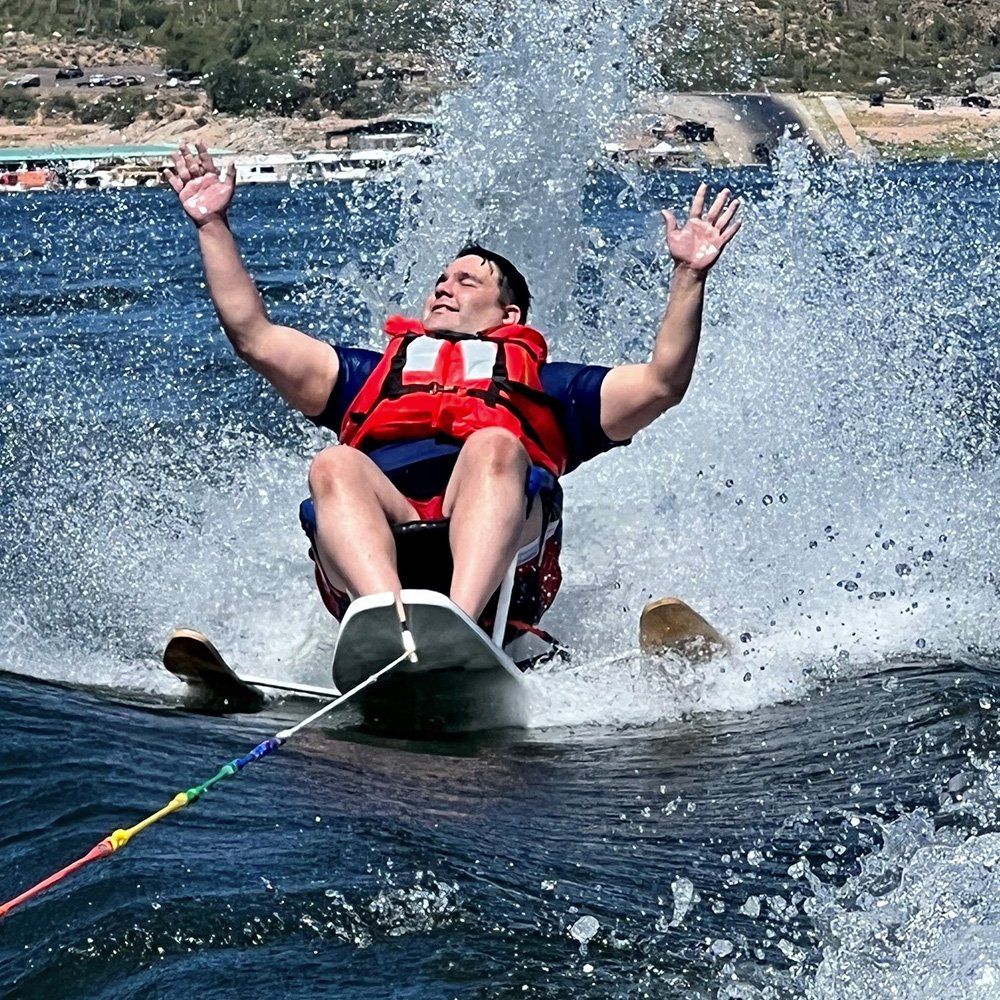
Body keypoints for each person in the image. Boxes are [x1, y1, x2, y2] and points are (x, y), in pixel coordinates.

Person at [165, 143, 741, 644]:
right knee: (333, 463)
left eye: (468, 281)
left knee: (495, 442)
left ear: (508, 315)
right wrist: (212, 226)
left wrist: (689, 276)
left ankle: (457, 629)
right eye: (441, 280)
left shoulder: (550, 387)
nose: (445, 288)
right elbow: (254, 336)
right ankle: (388, 623)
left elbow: (663, 382)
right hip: (382, 541)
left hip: (507, 564)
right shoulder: (370, 375)